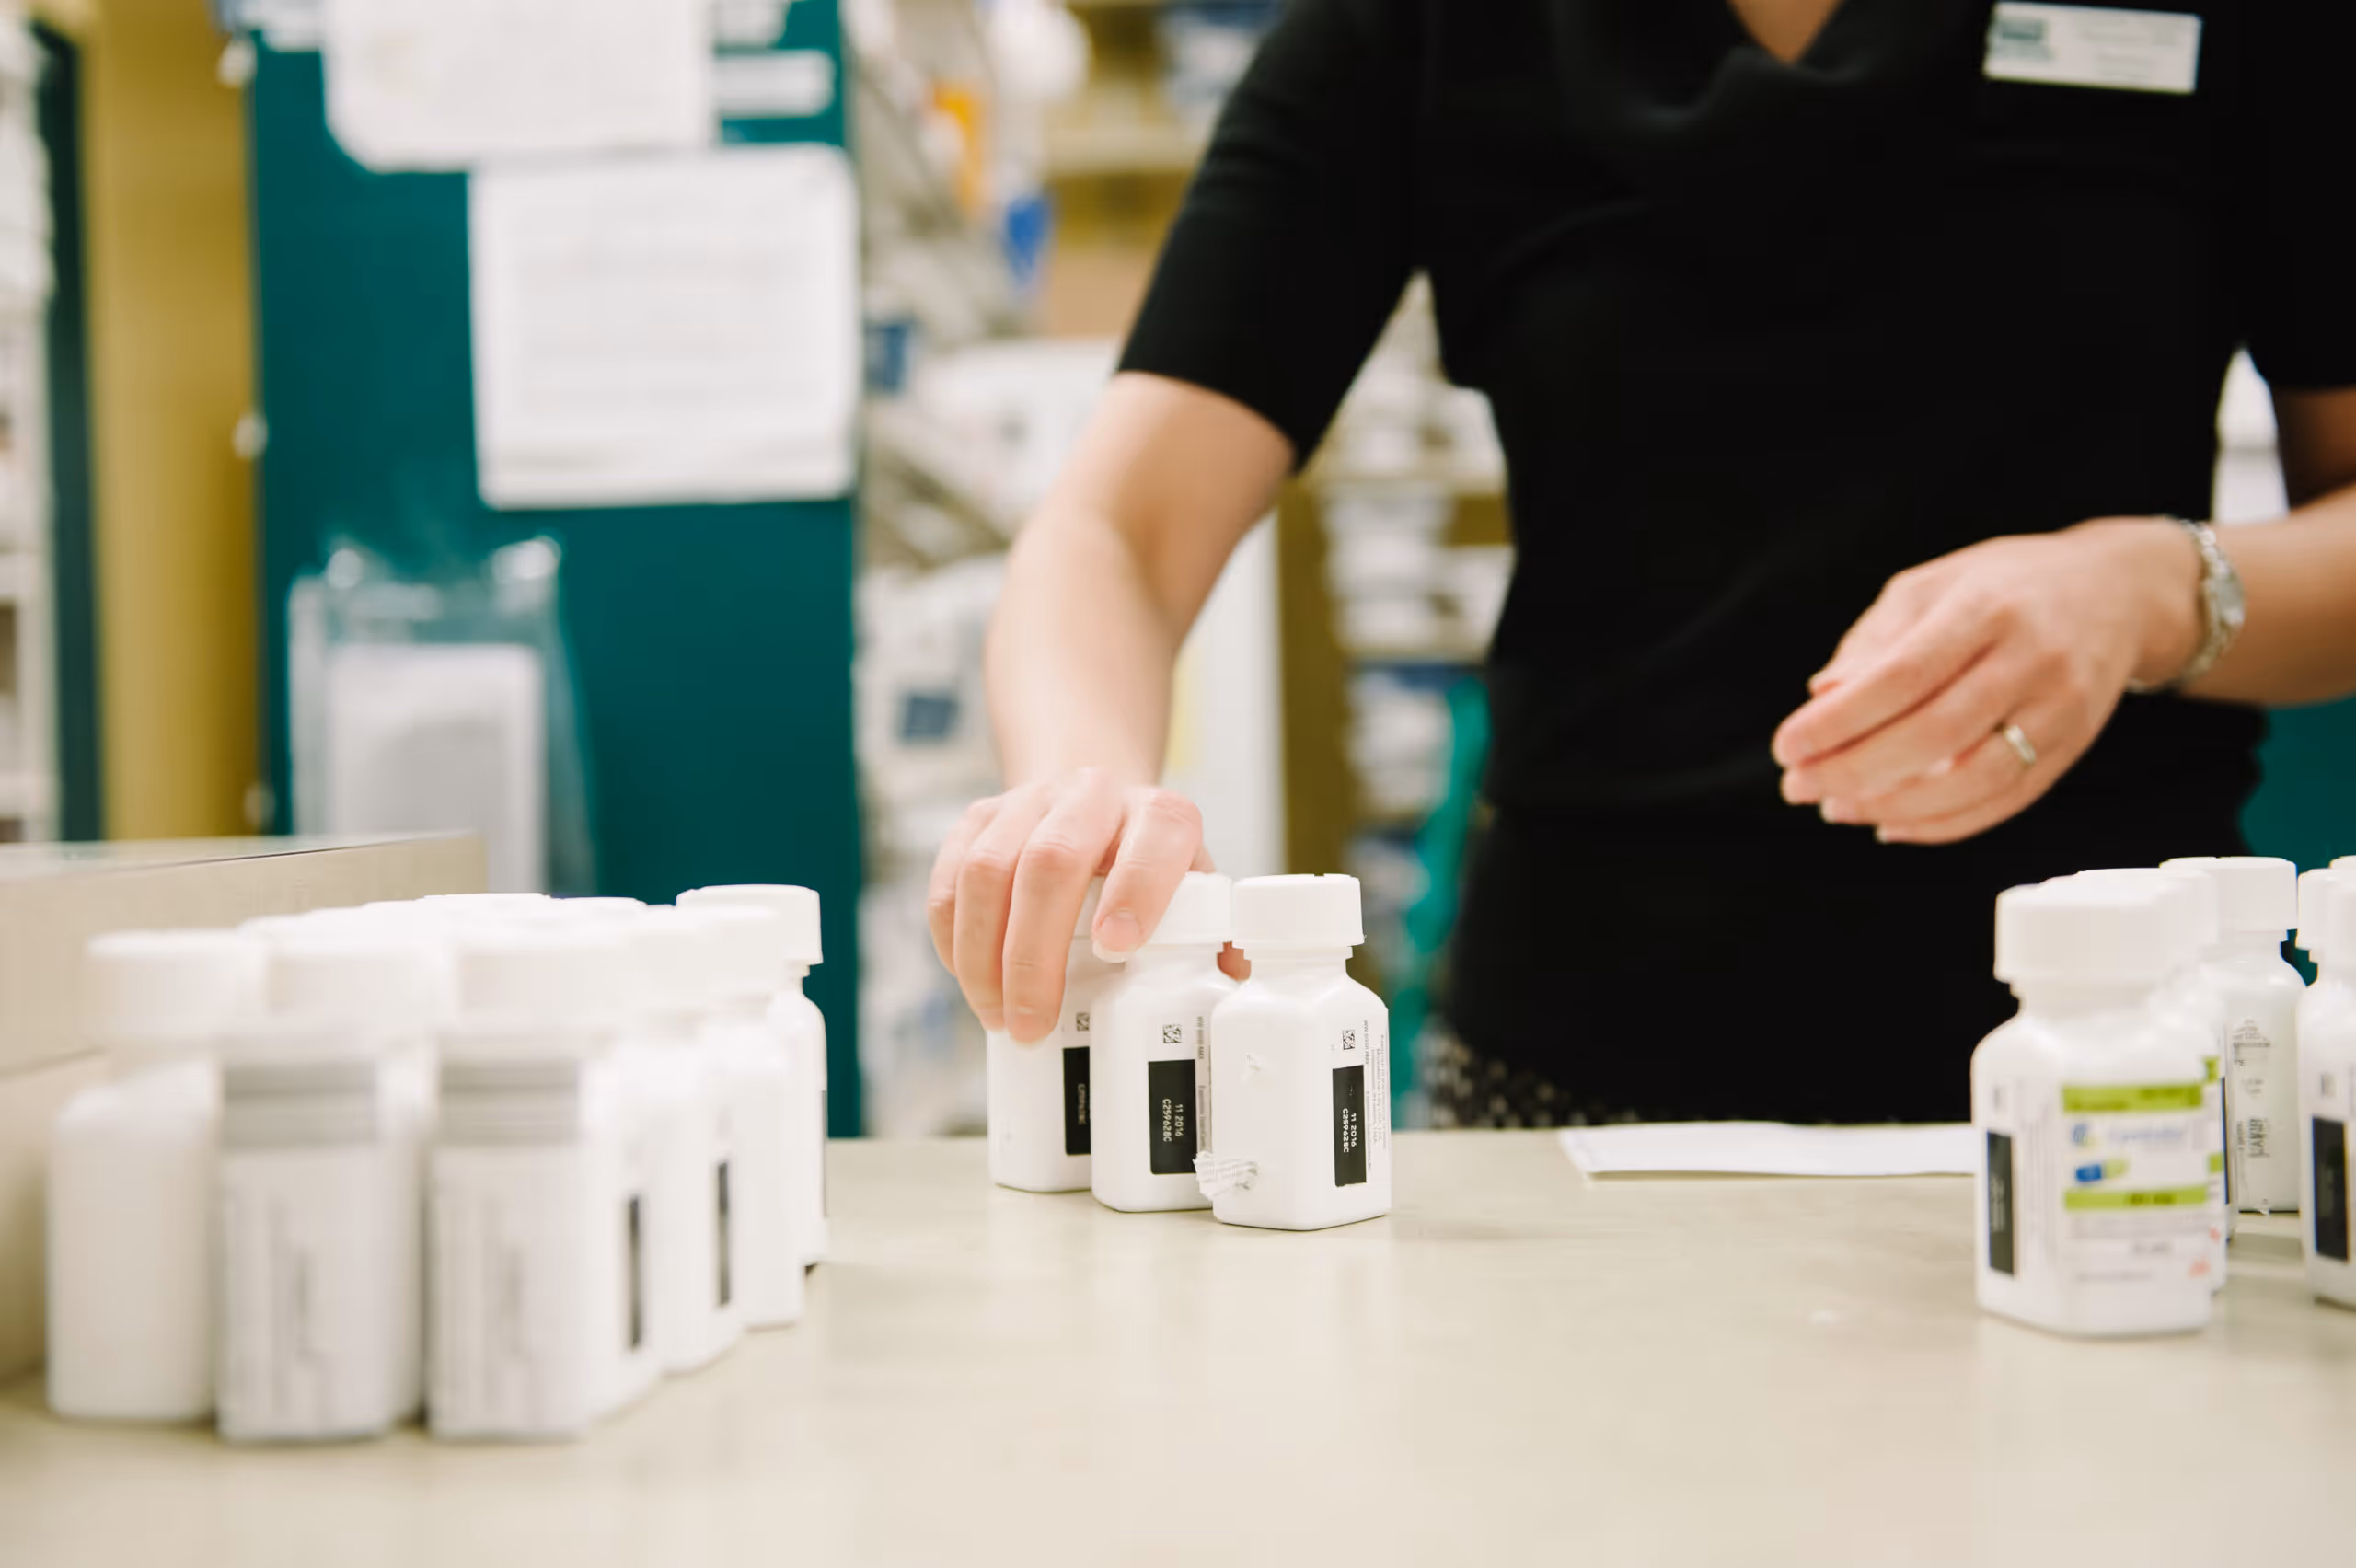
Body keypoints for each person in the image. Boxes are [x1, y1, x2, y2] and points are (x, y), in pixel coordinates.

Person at [927, 0, 2356, 1124]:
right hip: (1574, 1068)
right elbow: (1116, 531)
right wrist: (1086, 795)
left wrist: (2157, 588)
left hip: (2124, 1061)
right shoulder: (1425, 31)